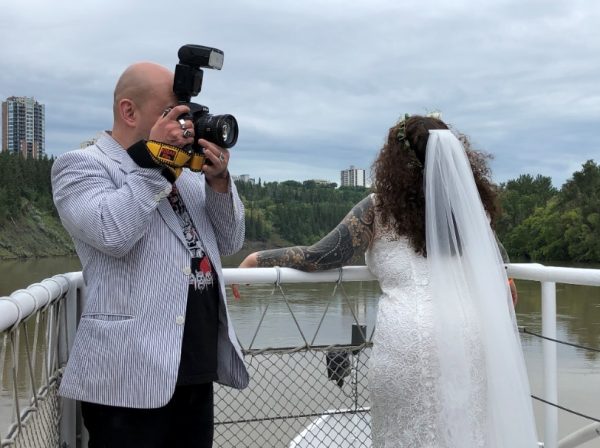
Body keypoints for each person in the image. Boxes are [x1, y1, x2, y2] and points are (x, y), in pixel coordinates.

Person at [234, 115, 537, 447]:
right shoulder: (471, 210)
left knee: (406, 432)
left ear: (395, 162)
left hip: (410, 340)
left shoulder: (378, 209)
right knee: (466, 428)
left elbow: (321, 256)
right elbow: (501, 284)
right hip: (470, 335)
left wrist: (258, 259)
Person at [51, 61, 248, 448]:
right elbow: (112, 232)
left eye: (186, 116)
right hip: (128, 377)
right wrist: (157, 164)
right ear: (129, 111)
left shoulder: (186, 171)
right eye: (170, 113)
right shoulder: (81, 166)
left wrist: (218, 180)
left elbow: (230, 241)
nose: (184, 126)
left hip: (193, 366)